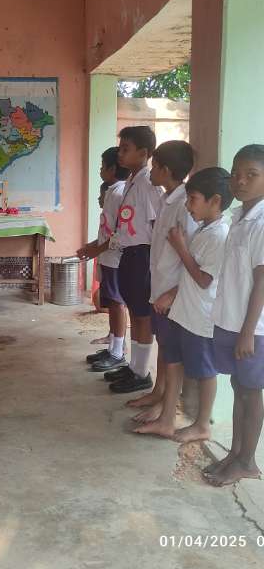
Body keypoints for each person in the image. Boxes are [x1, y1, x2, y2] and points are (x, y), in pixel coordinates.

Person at [205, 145, 264, 486]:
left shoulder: (261, 223)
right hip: (231, 320)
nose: (240, 181)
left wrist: (246, 331)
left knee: (251, 391)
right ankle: (236, 453)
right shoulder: (240, 217)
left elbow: (261, 280)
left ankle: (248, 461)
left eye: (251, 175)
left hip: (252, 328)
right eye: (236, 174)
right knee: (238, 385)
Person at [130, 141, 198, 433]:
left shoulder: (184, 205)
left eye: (155, 167)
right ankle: (159, 394)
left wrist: (173, 292)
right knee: (164, 345)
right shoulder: (167, 198)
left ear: (166, 170)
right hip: (160, 286)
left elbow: (193, 254)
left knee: (173, 354)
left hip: (173, 291)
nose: (151, 172)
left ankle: (167, 413)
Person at [161, 167, 232, 443]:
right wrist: (172, 294)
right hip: (187, 313)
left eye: (193, 199)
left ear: (215, 201)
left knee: (205, 371)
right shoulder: (206, 229)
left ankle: (203, 424)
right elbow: (191, 276)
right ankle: (174, 416)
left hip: (202, 317)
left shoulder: (219, 235)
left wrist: (180, 248)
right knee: (187, 363)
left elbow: (203, 280)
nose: (188, 206)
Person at [100, 126, 162, 394]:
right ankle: (134, 366)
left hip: (143, 254)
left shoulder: (148, 184)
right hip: (130, 252)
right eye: (121, 148)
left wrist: (153, 261)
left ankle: (142, 372)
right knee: (135, 314)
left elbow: (157, 224)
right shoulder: (132, 182)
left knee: (142, 316)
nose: (121, 154)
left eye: (126, 149)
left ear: (144, 153)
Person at [78, 147, 130, 370]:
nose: (100, 170)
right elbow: (107, 230)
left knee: (117, 304)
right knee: (112, 303)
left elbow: (121, 233)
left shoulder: (119, 193)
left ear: (112, 169)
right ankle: (112, 347)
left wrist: (96, 250)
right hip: (108, 256)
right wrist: (93, 246)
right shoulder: (112, 192)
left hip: (116, 258)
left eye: (102, 166)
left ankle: (118, 352)